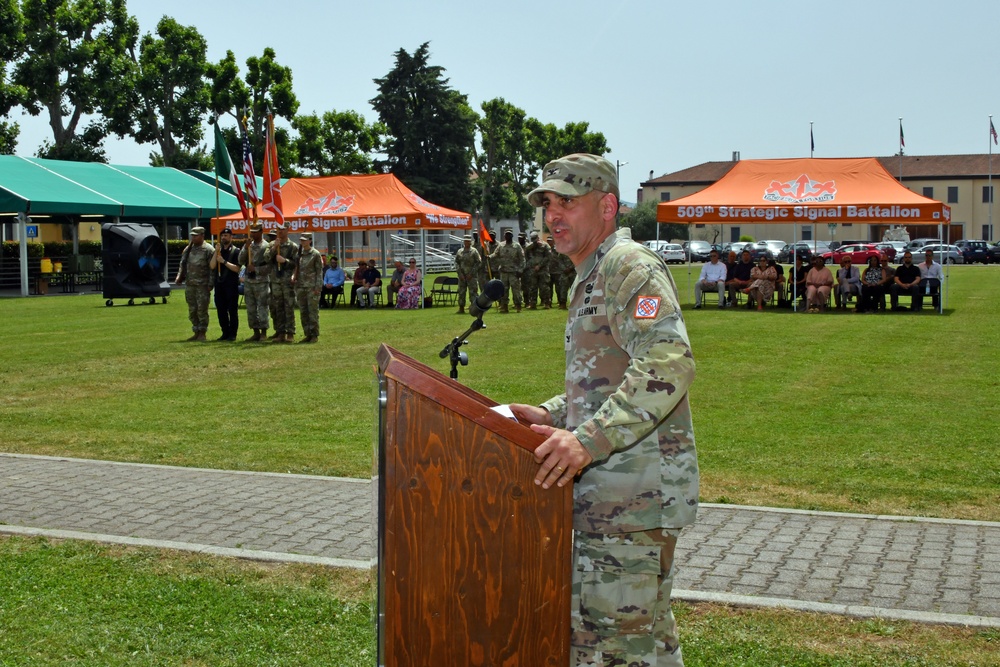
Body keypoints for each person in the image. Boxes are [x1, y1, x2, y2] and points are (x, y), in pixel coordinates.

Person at [509, 154, 698, 666]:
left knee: (610, 648)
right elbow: (606, 377)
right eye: (548, 204)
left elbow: (668, 361)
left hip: (633, 496)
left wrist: (586, 440)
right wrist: (553, 415)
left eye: (567, 202)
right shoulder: (592, 272)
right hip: (620, 497)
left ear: (608, 205)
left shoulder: (627, 266)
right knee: (648, 643)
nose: (553, 216)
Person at [175, 226, 214, 341]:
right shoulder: (189, 249)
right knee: (192, 310)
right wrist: (179, 276)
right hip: (190, 284)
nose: (193, 237)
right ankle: (196, 330)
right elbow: (183, 264)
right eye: (192, 235)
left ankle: (202, 332)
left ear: (202, 235)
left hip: (202, 285)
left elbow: (212, 269)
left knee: (202, 310)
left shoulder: (208, 250)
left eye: (196, 235)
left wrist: (210, 284)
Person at [263, 223, 298, 342]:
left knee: (288, 307)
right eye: (278, 229)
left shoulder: (292, 246)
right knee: (278, 307)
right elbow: (266, 258)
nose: (280, 232)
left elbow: (296, 264)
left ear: (288, 230)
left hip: (287, 281)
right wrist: (274, 248)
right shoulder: (272, 244)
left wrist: (285, 261)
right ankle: (280, 332)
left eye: (283, 229)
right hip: (275, 280)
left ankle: (290, 333)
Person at [238, 222, 271, 342]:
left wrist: (256, 269)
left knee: (262, 307)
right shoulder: (249, 245)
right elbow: (240, 260)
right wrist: (245, 248)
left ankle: (263, 332)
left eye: (255, 231)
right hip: (249, 281)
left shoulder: (266, 246)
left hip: (261, 281)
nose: (253, 234)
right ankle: (255, 331)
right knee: (251, 308)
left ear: (261, 232)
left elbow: (269, 266)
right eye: (252, 231)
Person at [209, 227, 242, 341]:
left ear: (231, 237)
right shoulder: (218, 251)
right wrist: (216, 252)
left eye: (226, 236)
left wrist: (224, 262)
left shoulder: (236, 251)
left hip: (231, 284)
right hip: (219, 284)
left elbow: (237, 268)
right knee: (221, 310)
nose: (223, 238)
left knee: (232, 310)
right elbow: (212, 266)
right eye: (222, 236)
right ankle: (225, 332)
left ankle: (232, 334)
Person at [293, 232, 323, 343]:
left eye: (305, 240)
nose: (303, 242)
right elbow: (296, 268)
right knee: (303, 312)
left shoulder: (315, 254)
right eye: (301, 240)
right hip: (301, 286)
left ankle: (314, 334)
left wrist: (318, 287)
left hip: (312, 287)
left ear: (310, 241)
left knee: (313, 312)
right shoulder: (299, 254)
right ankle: (307, 334)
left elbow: (319, 272)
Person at [490, 230, 525, 313]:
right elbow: (495, 254)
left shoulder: (517, 246)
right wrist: (489, 256)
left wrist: (520, 270)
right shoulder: (501, 245)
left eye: (509, 235)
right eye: (506, 235)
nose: (507, 236)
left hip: (514, 272)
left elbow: (522, 259)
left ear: (512, 236)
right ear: (504, 236)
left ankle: (518, 305)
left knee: (516, 290)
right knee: (504, 290)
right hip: (503, 271)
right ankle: (504, 306)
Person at [523, 230, 552, 309]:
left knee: (544, 287)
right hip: (532, 270)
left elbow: (548, 257)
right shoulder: (530, 246)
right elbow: (526, 253)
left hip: (543, 270)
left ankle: (547, 303)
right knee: (533, 287)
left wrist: (540, 265)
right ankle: (533, 303)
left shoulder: (545, 246)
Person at [454, 235, 482, 314]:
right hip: (462, 276)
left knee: (473, 292)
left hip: (471, 276)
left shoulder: (474, 251)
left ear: (470, 242)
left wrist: (472, 273)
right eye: (465, 241)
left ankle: (474, 308)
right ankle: (461, 308)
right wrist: (459, 273)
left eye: (468, 241)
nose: (466, 242)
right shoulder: (460, 251)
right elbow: (456, 262)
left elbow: (478, 263)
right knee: (461, 292)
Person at [548, 236, 574, 310]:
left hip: (573, 271)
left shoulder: (575, 249)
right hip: (564, 271)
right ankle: (563, 303)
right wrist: (564, 269)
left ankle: (574, 303)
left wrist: (571, 268)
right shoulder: (562, 250)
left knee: (574, 288)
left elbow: (577, 260)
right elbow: (560, 260)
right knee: (563, 288)